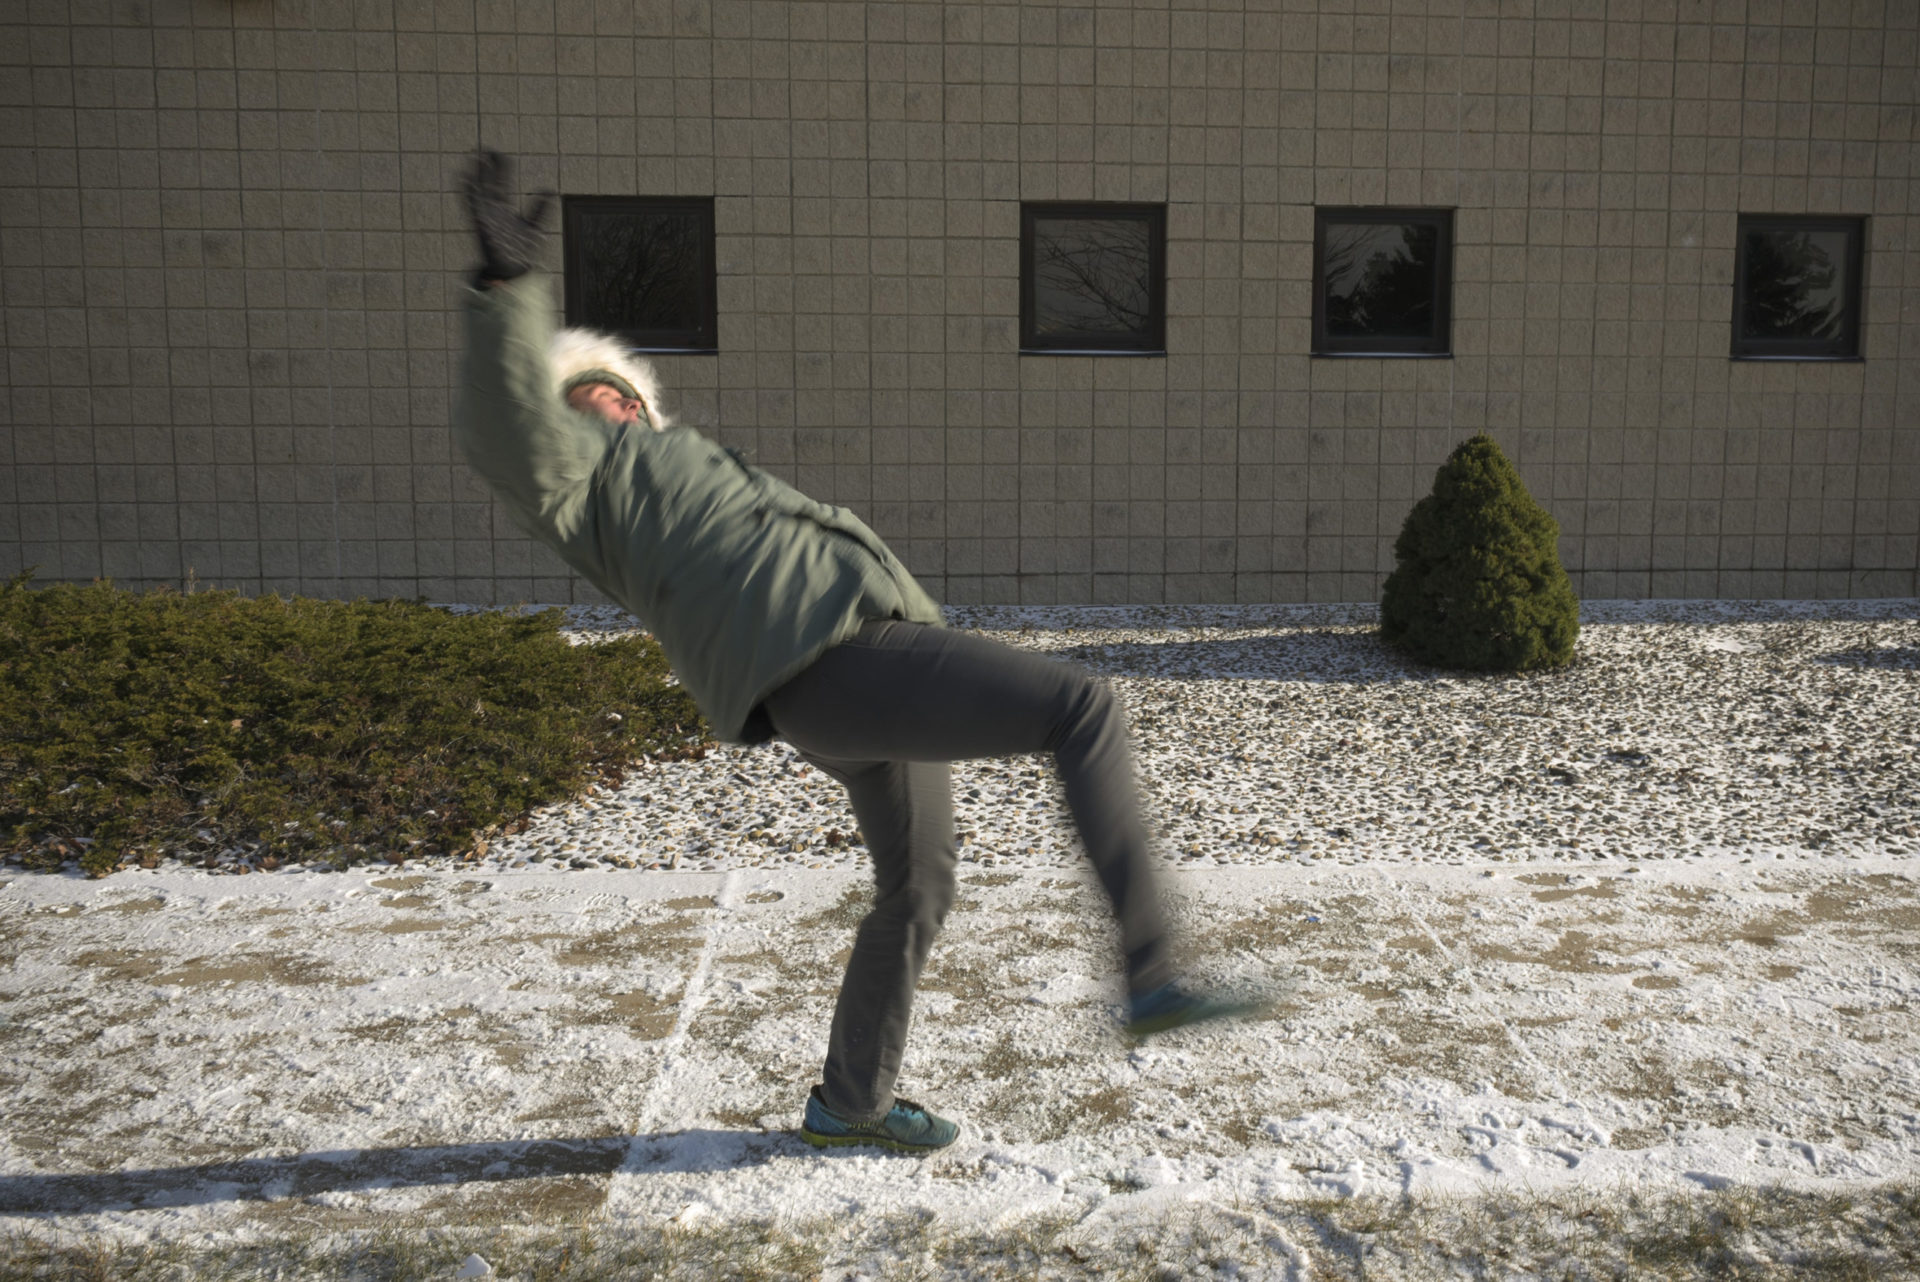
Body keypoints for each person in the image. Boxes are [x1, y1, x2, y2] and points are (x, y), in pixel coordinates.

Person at [455, 151, 1249, 1154]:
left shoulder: (694, 468)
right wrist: (505, 292)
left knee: (919, 886)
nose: (605, 403)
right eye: (585, 398)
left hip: (858, 668)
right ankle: (1154, 974)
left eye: (618, 393)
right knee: (1082, 706)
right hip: (830, 662)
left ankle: (850, 1100)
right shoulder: (595, 493)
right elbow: (507, 429)